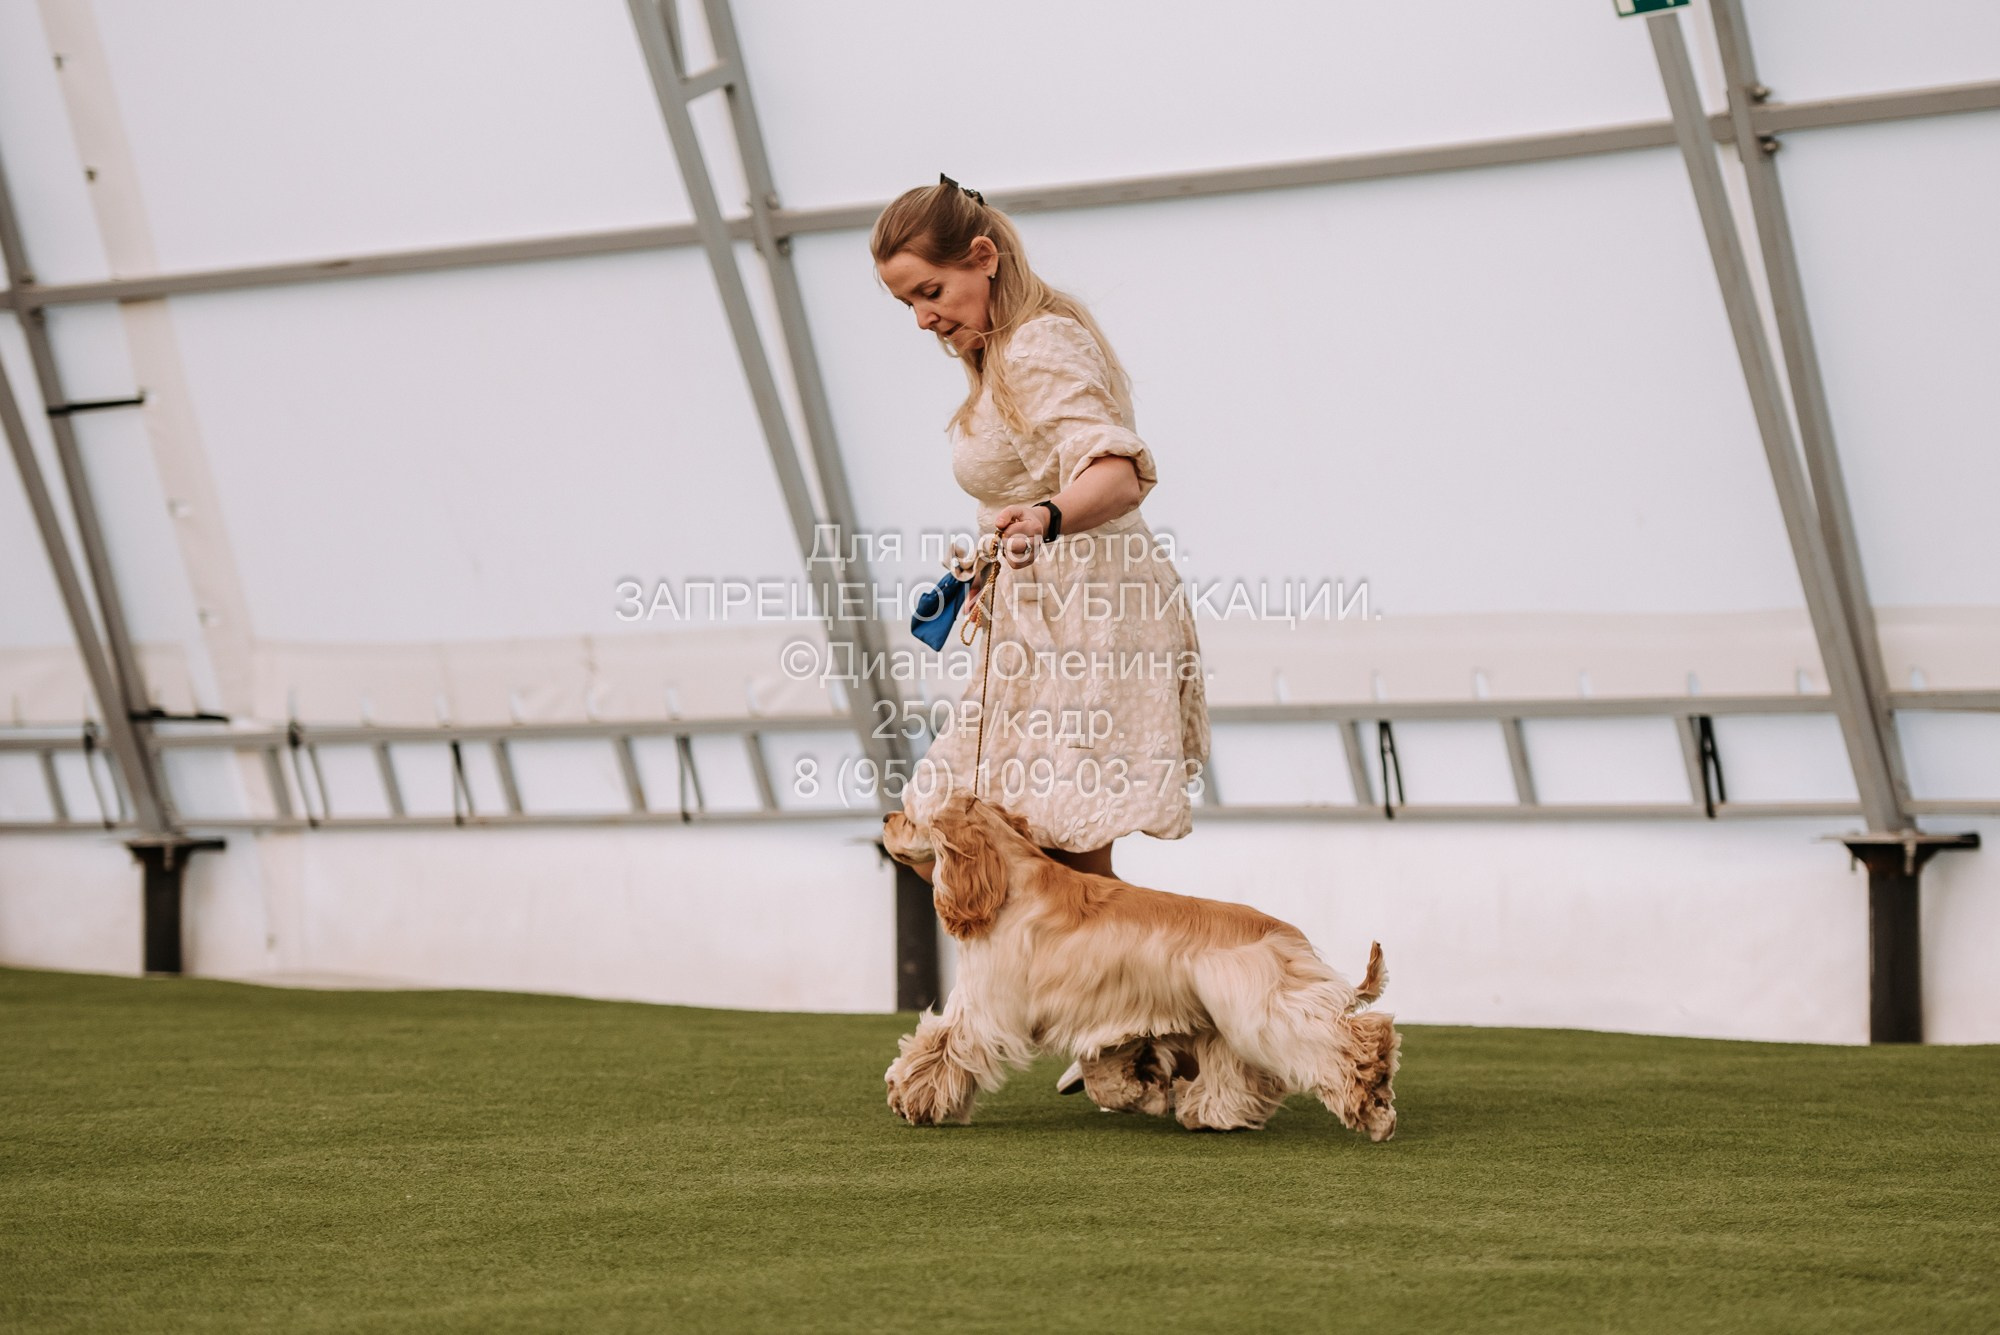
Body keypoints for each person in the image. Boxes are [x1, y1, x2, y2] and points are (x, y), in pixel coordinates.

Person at [870, 173, 1210, 891]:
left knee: (1064, 848)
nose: (922, 320)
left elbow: (1117, 471)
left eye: (930, 292)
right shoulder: (1002, 355)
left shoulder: (1036, 344)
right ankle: (1079, 999)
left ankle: (1114, 999)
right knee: (993, 833)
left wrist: (1047, 517)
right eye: (907, 304)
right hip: (1040, 616)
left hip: (1089, 614)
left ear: (984, 256)